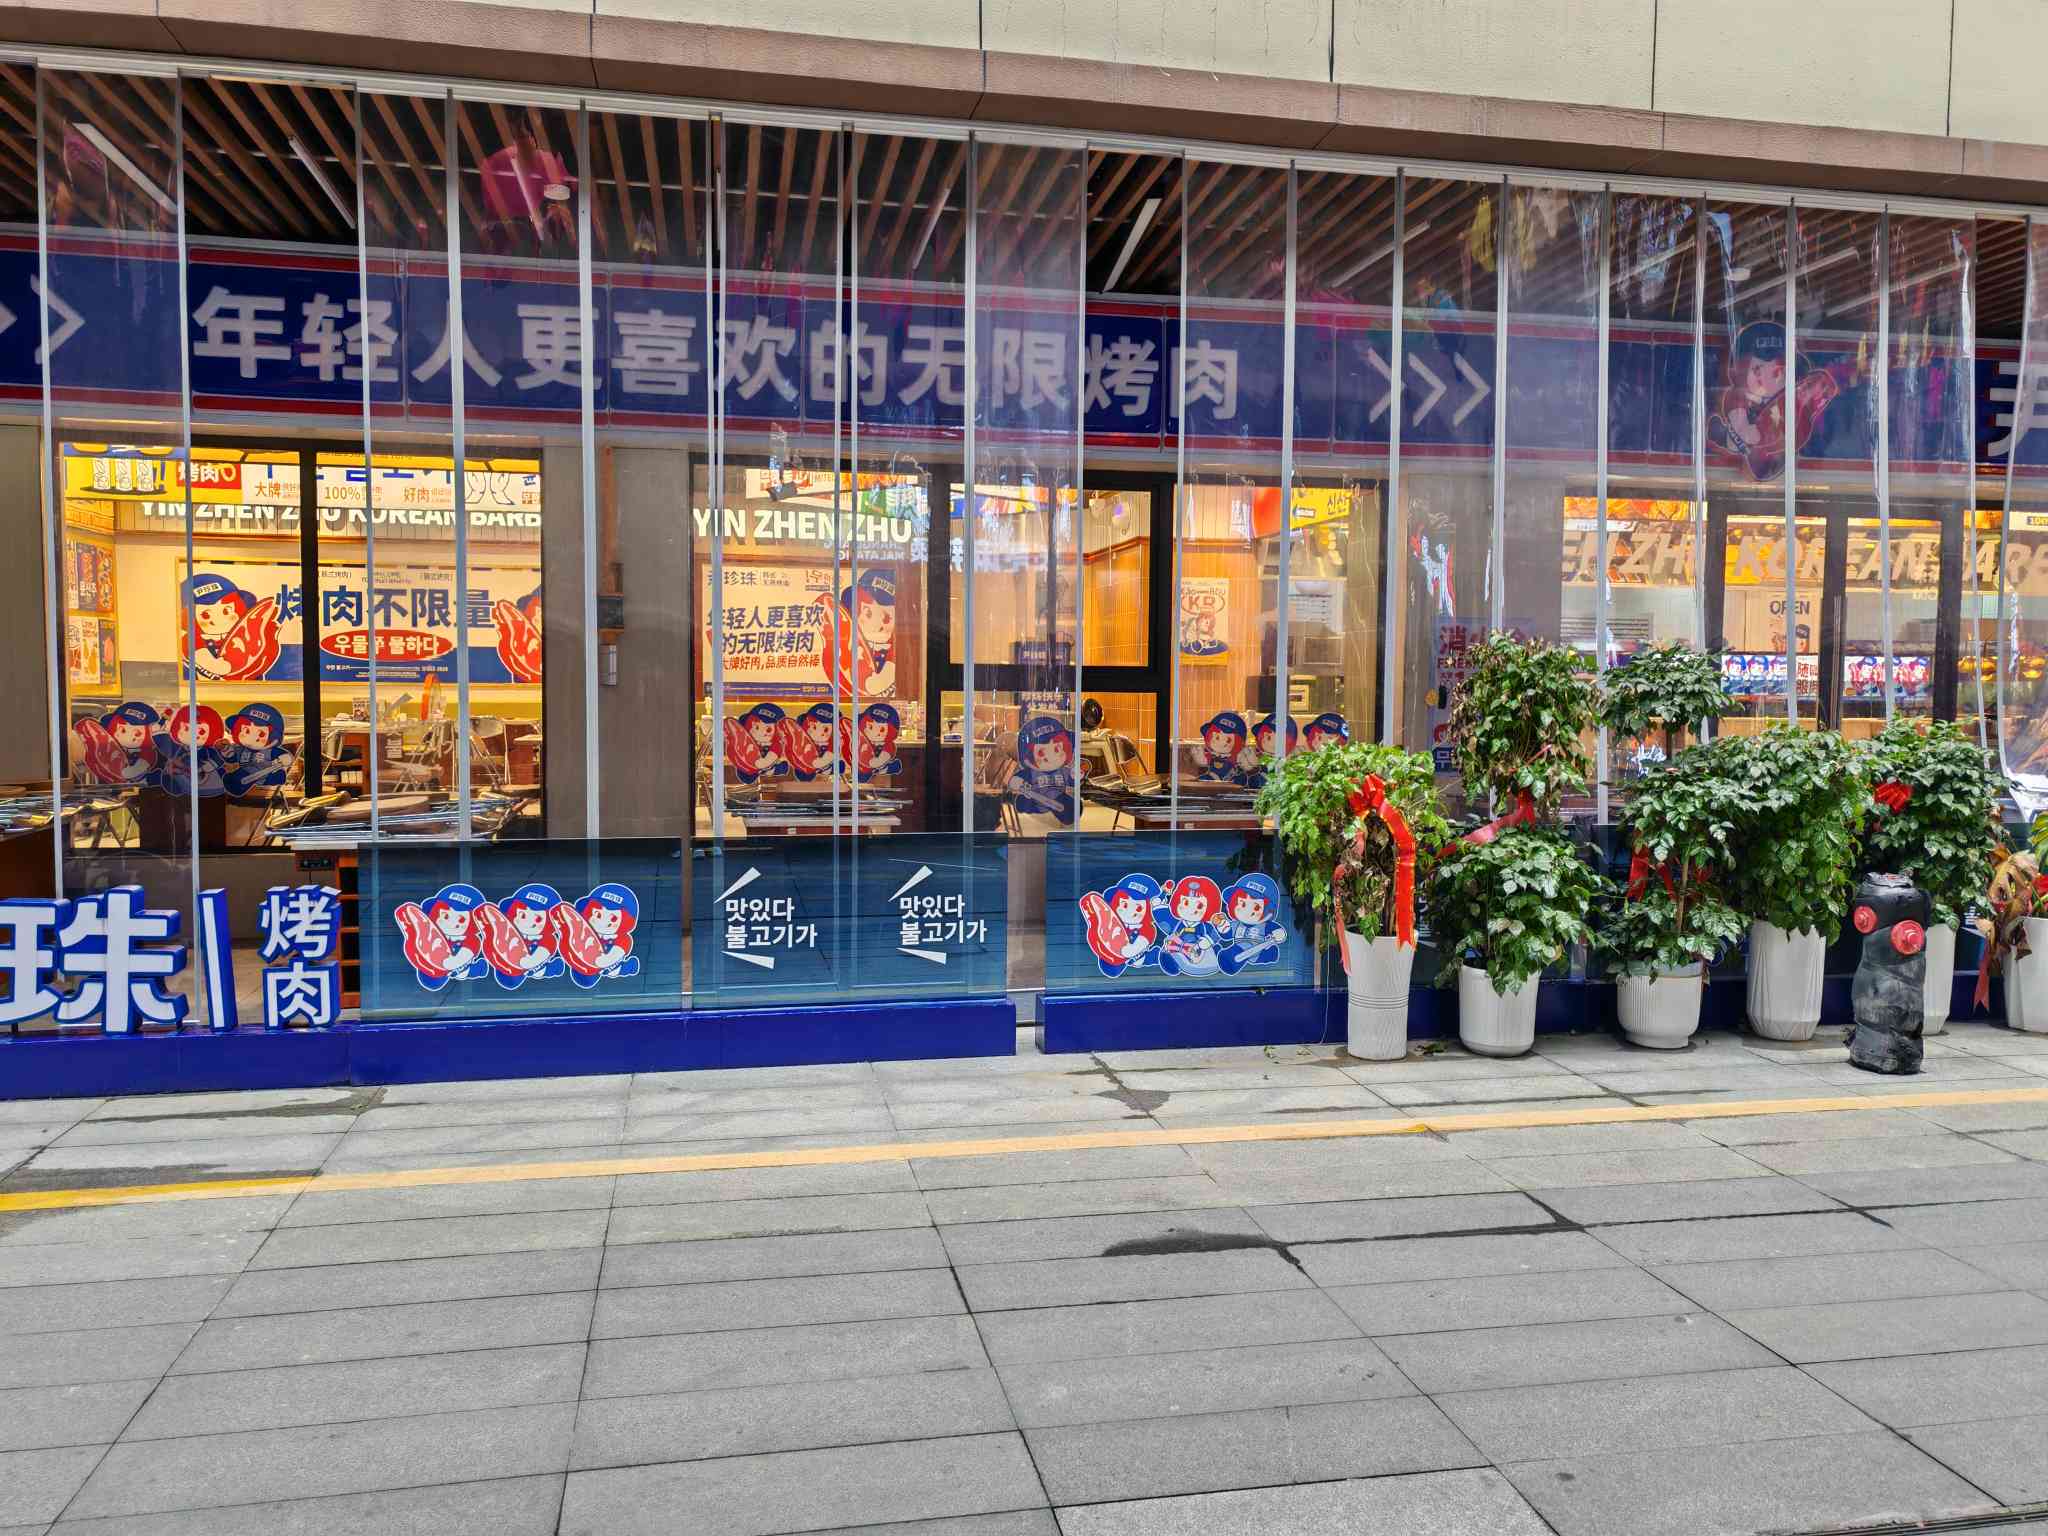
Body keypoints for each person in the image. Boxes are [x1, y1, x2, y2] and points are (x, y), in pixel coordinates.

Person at [180, 573, 280, 682]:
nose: (219, 620)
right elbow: (219, 667)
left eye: (227, 610)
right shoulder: (192, 640)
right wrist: (218, 666)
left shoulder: (244, 631)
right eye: (205, 615)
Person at [1008, 714, 1076, 821]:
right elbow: (1015, 780)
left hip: (1057, 799)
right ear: (1029, 758)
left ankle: (1067, 813)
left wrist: (1076, 776)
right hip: (1036, 801)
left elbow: (1072, 780)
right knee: (1024, 801)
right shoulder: (1032, 773)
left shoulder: (1063, 771)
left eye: (1057, 749)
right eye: (1041, 752)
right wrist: (1019, 783)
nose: (1051, 756)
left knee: (1063, 802)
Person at [1216, 873, 1287, 974]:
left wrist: (1279, 933)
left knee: (1270, 954)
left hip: (1259, 954)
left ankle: (1270, 953)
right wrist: (1221, 926)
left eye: (1256, 907)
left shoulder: (1265, 926)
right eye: (1242, 904)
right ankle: (1230, 960)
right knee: (1236, 954)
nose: (1247, 911)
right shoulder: (1237, 924)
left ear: (1268, 911)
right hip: (1240, 952)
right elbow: (1227, 934)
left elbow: (1276, 931)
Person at [1156, 875, 1226, 977]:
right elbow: (1160, 914)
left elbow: (1216, 933)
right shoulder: (1175, 924)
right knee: (1167, 953)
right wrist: (1163, 894)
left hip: (1200, 956)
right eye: (1186, 902)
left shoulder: (1205, 926)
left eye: (1199, 906)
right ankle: (1171, 964)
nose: (1191, 909)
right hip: (1179, 956)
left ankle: (1219, 956)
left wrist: (1208, 941)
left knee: (1213, 949)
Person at [153, 704, 226, 798]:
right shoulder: (178, 749)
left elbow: (219, 759)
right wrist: (163, 720)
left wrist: (203, 769)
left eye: (201, 731)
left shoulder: (208, 750)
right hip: (186, 791)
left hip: (208, 786)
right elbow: (161, 738)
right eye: (186, 728)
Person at [574, 884, 641, 983]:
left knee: (613, 971)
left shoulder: (623, 939)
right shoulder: (585, 932)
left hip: (608, 963)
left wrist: (598, 961)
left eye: (613, 918)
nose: (602, 922)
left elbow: (606, 960)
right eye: (598, 914)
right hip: (591, 961)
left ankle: (628, 967)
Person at [221, 702, 291, 797]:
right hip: (246, 772)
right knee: (235, 780)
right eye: (246, 730)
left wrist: (284, 758)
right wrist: (225, 749)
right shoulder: (241, 749)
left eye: (261, 734)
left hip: (266, 774)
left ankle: (274, 777)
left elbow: (283, 756)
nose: (252, 737)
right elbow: (231, 757)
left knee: (275, 777)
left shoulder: (270, 751)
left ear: (273, 737)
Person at [723, 702, 790, 784]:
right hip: (750, 770)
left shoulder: (776, 745)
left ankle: (772, 770)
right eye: (756, 727)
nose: (761, 732)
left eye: (768, 729)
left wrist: (763, 763)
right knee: (747, 775)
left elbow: (770, 757)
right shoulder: (746, 741)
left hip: (768, 771)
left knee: (776, 770)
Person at [1190, 711, 1248, 784]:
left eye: (1228, 740)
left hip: (1231, 781)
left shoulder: (1237, 757)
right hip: (1212, 780)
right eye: (1217, 737)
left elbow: (1244, 765)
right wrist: (1201, 759)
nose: (1222, 743)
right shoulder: (1211, 755)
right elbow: (1204, 761)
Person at [855, 701, 902, 781]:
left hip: (875, 772)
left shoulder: (888, 746)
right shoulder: (863, 740)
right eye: (870, 727)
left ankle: (890, 767)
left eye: (882, 730)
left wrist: (865, 756)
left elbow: (875, 762)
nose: (874, 732)